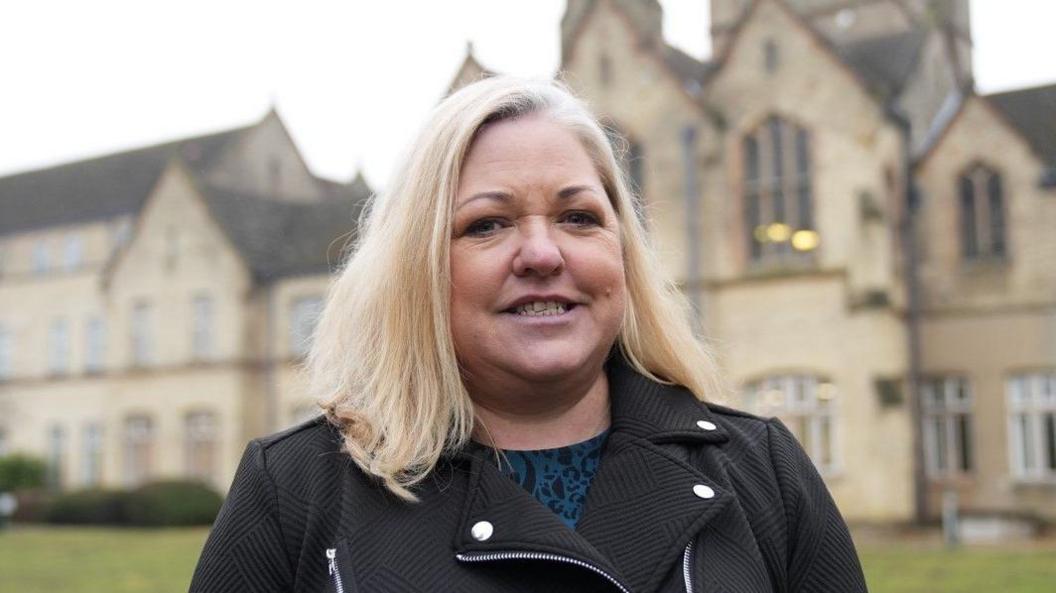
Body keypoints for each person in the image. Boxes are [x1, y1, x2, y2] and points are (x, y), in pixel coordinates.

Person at [190, 76, 867, 593]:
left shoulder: (763, 471)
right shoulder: (298, 489)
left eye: (578, 217)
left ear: (623, 252)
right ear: (418, 269)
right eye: (487, 224)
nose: (543, 253)